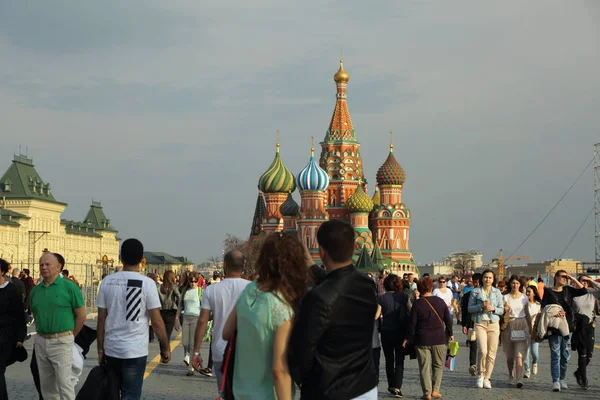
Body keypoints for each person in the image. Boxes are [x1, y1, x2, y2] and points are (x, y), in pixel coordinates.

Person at [289, 220, 378, 400]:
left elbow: (302, 351)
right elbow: (340, 283)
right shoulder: (367, 285)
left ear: (321, 251)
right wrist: (312, 267)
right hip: (365, 386)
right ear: (354, 247)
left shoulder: (318, 298)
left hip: (330, 390)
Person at [222, 232, 308, 399]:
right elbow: (279, 370)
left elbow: (226, 332)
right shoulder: (281, 306)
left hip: (240, 392)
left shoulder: (250, 290)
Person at [96, 238, 171, 400]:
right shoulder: (148, 284)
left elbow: (101, 319)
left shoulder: (107, 282)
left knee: (111, 393)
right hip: (135, 350)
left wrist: (100, 349)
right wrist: (165, 347)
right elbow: (157, 322)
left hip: (112, 348)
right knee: (131, 393)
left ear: (121, 257)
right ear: (141, 259)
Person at [191, 250, 250, 395]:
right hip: (247, 351)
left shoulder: (211, 290)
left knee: (224, 393)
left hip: (220, 350)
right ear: (244, 265)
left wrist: (196, 351)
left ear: (224, 265)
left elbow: (203, 321)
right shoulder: (252, 288)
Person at [29, 252, 86, 400]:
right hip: (41, 341)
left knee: (64, 384)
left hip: (62, 340)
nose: (43, 267)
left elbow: (81, 315)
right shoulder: (36, 290)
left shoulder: (69, 287)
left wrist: (71, 335)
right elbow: (36, 313)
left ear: (58, 267)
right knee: (47, 387)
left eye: (47, 264)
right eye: (41, 264)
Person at [403, 276, 453, 400]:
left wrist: (408, 338)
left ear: (419, 289)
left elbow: (412, 324)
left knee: (424, 367)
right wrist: (450, 333)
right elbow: (448, 320)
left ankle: (427, 393)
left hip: (422, 339)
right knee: (438, 365)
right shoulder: (440, 302)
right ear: (431, 287)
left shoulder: (417, 304)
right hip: (439, 339)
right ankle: (436, 390)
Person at [541, 270, 586, 392]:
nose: (565, 279)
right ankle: (555, 380)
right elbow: (543, 307)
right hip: (554, 327)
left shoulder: (568, 290)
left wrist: (573, 278)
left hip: (568, 326)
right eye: (563, 277)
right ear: (555, 277)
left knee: (565, 355)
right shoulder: (548, 291)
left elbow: (583, 290)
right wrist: (555, 314)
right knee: (555, 354)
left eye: (566, 277)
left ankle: (562, 378)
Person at [467, 269, 504, 390]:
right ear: (482, 278)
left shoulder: (497, 292)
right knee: (483, 350)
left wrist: (493, 309)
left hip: (493, 323)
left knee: (492, 353)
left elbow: (501, 310)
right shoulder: (476, 292)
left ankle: (487, 377)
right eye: (485, 277)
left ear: (493, 280)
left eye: (490, 278)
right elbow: (470, 309)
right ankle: (480, 375)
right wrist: (481, 306)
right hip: (480, 323)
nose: (487, 279)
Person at [379, 274, 410, 398]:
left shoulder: (381, 298)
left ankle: (391, 385)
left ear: (385, 285)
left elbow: (377, 314)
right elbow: (410, 310)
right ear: (398, 284)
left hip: (386, 331)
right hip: (401, 332)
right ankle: (398, 387)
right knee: (400, 360)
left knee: (389, 359)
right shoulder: (404, 296)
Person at [0, 258, 27, 400]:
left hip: (4, 336)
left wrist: (20, 336)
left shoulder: (10, 289)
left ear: (2, 271)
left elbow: (19, 314)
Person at [571, 275, 599, 390]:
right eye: (583, 280)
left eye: (587, 281)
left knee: (589, 356)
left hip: (590, 327)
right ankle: (584, 379)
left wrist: (592, 280)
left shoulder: (592, 294)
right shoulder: (573, 295)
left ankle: (578, 372)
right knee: (582, 354)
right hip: (578, 328)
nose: (585, 283)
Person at [501, 275, 529, 388]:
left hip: (522, 325)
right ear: (510, 284)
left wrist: (532, 328)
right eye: (513, 283)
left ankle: (519, 378)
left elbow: (527, 313)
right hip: (509, 325)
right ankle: (510, 375)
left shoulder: (524, 298)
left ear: (520, 285)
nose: (515, 285)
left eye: (517, 283)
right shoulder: (505, 297)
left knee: (519, 354)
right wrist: (505, 309)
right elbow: (502, 313)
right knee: (509, 356)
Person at [174, 272, 202, 376]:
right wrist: (176, 318)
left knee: (191, 343)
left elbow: (204, 306)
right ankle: (194, 355)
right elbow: (180, 306)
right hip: (185, 318)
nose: (193, 283)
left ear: (198, 281)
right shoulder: (185, 291)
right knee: (184, 342)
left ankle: (191, 368)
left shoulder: (200, 291)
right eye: (191, 281)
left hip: (196, 317)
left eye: (195, 281)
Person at [461, 273, 481, 376]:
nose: (477, 284)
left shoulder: (488, 294)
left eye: (478, 282)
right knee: (473, 344)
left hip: (483, 322)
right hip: (471, 323)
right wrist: (464, 324)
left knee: (482, 347)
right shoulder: (467, 295)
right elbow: (464, 311)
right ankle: (473, 364)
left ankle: (482, 366)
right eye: (475, 282)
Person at [157, 270, 181, 356]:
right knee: (168, 333)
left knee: (161, 333)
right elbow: (179, 297)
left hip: (160, 312)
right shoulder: (173, 287)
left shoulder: (159, 287)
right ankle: (167, 352)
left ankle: (163, 352)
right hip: (171, 312)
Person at [523, 285, 541, 379]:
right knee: (525, 352)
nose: (527, 293)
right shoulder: (523, 304)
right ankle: (527, 370)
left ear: (534, 293)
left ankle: (535, 362)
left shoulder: (538, 305)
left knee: (534, 352)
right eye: (526, 292)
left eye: (529, 292)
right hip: (524, 330)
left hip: (534, 331)